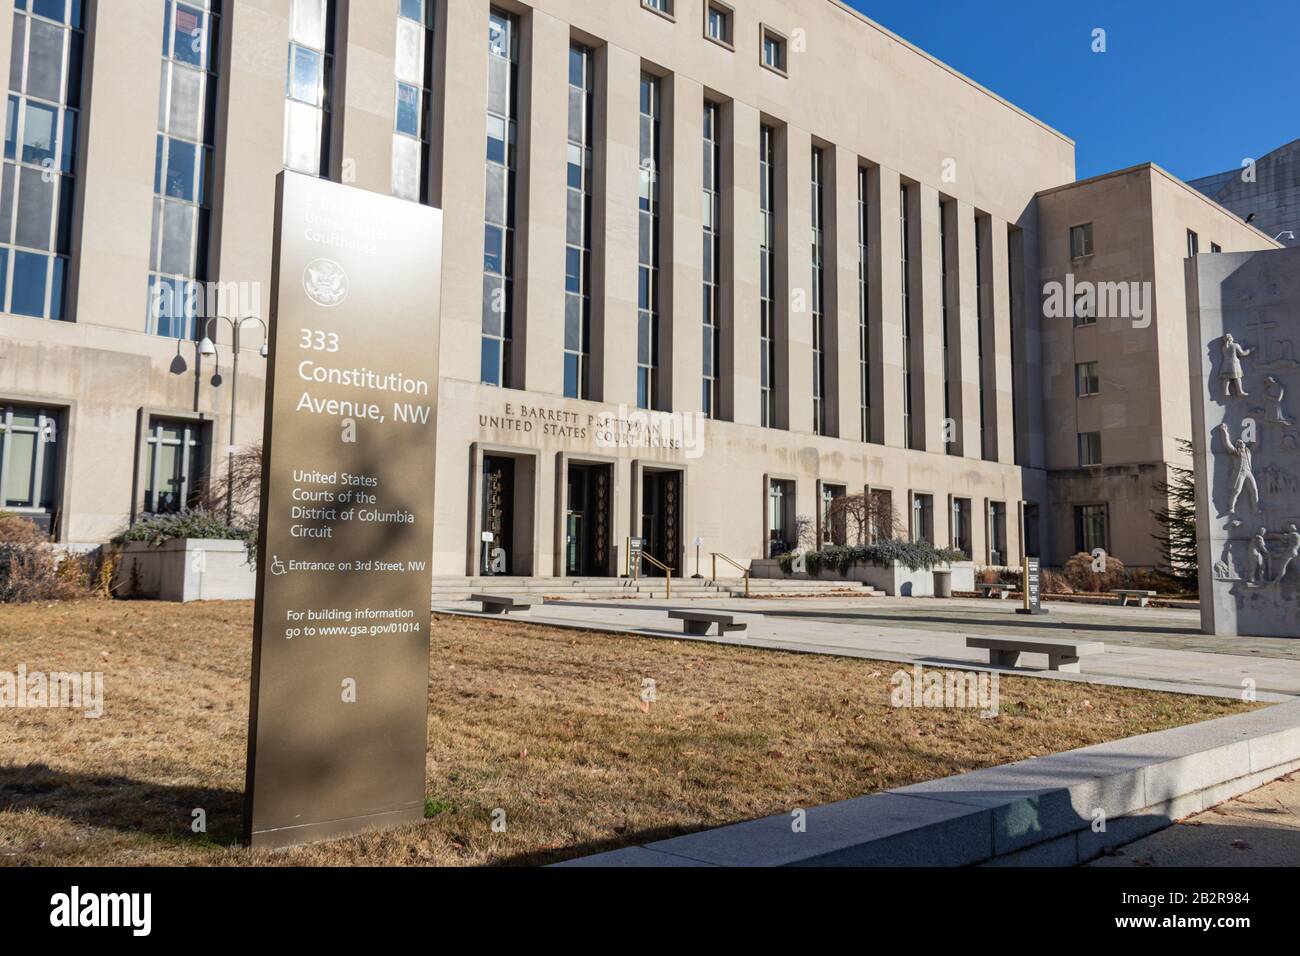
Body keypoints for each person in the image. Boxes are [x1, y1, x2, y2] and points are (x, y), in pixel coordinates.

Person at [1216, 423, 1259, 515]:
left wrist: (1257, 432)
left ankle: (1255, 509)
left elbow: (1256, 445)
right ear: (1237, 445)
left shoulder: (1248, 452)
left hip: (1248, 472)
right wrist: (1224, 432)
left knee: (1254, 490)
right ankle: (1231, 508)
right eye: (1239, 443)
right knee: (1237, 491)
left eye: (1242, 443)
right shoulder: (1235, 452)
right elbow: (1227, 443)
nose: (1241, 444)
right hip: (1240, 473)